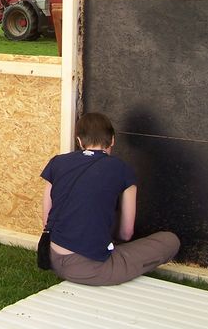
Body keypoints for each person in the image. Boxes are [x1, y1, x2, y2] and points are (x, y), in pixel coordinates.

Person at [40, 112, 179, 285]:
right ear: (112, 140)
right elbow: (126, 233)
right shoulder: (123, 170)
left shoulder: (57, 162)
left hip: (50, 256)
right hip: (88, 268)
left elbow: (47, 220)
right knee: (170, 241)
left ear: (79, 141)